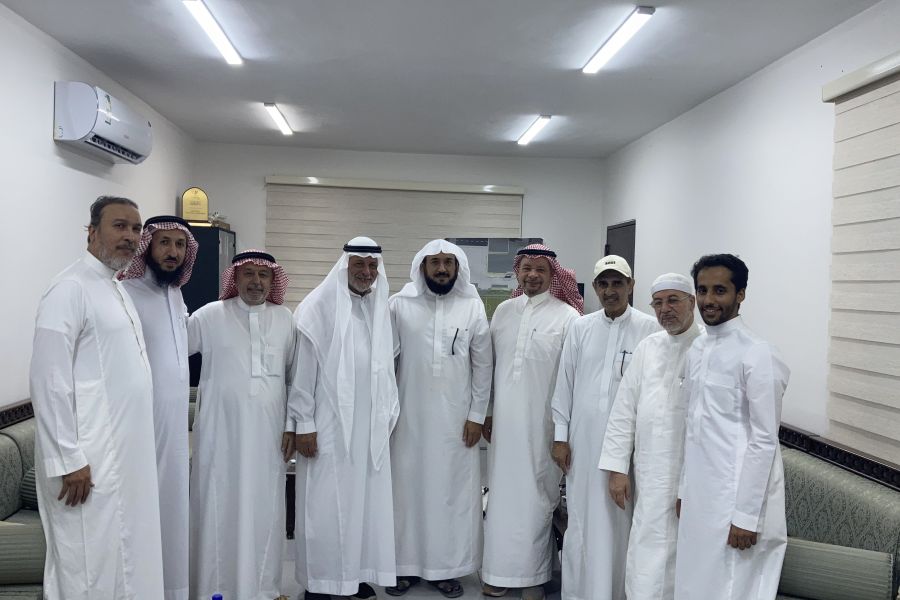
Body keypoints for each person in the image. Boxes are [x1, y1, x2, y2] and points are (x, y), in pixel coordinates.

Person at [29, 195, 165, 598]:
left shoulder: (116, 287)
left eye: (136, 229)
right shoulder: (69, 288)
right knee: (87, 564)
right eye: (119, 226)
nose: (130, 236)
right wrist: (68, 458)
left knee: (123, 558)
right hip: (87, 461)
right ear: (91, 232)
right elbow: (48, 379)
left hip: (123, 457)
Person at [674, 254, 790, 600]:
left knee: (731, 586)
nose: (709, 300)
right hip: (699, 494)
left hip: (735, 497)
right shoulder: (697, 348)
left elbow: (764, 440)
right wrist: (683, 490)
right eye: (702, 290)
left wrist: (746, 516)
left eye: (720, 290)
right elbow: (692, 428)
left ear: (740, 294)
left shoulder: (758, 353)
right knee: (693, 580)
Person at [290, 237, 400, 600]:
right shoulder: (318, 306)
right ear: (345, 266)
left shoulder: (379, 306)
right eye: (359, 265)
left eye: (372, 267)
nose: (367, 273)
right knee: (325, 506)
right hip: (328, 426)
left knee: (362, 508)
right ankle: (320, 583)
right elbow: (303, 373)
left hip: (368, 429)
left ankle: (351, 578)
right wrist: (305, 424)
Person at [386, 239, 492, 598]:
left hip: (455, 423)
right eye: (435, 262)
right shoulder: (399, 305)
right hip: (407, 420)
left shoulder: (472, 307)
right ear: (422, 267)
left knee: (451, 494)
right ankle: (404, 567)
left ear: (458, 268)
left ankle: (446, 569)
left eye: (449, 262)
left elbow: (483, 367)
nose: (442, 269)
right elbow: (385, 363)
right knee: (406, 494)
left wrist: (477, 415)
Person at [188, 250, 296, 600]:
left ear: (273, 280)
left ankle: (264, 590)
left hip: (269, 437)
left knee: (265, 509)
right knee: (217, 506)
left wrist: (293, 425)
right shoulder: (209, 316)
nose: (256, 281)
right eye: (248, 273)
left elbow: (295, 378)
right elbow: (171, 351)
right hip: (220, 436)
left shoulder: (285, 319)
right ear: (234, 278)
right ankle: (212, 589)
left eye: (263, 275)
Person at [550, 255, 659, 600]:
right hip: (582, 444)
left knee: (621, 521)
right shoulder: (581, 327)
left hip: (629, 448)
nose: (610, 291)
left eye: (618, 283)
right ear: (596, 287)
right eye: (604, 284)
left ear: (631, 286)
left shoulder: (650, 329)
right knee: (582, 519)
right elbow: (564, 385)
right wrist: (560, 438)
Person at [481, 243, 583, 600]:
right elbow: (491, 368)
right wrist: (488, 412)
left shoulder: (568, 318)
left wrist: (563, 433)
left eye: (541, 269)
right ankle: (497, 572)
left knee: (538, 499)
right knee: (501, 497)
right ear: (517, 272)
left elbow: (570, 381)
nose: (532, 275)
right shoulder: (503, 312)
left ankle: (533, 577)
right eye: (526, 268)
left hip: (545, 427)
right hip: (505, 425)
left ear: (554, 274)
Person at [597, 272, 703, 600]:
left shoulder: (707, 349)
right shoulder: (648, 347)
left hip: (691, 478)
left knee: (685, 556)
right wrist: (617, 469)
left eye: (673, 301)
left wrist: (691, 486)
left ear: (692, 303)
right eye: (657, 303)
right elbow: (623, 411)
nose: (664, 309)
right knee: (646, 548)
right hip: (648, 474)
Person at [120, 215, 198, 600]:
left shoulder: (174, 293)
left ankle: (172, 590)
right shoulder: (126, 293)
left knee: (172, 513)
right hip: (141, 430)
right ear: (147, 245)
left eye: (180, 245)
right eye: (164, 242)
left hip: (174, 432)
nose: (172, 252)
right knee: (142, 516)